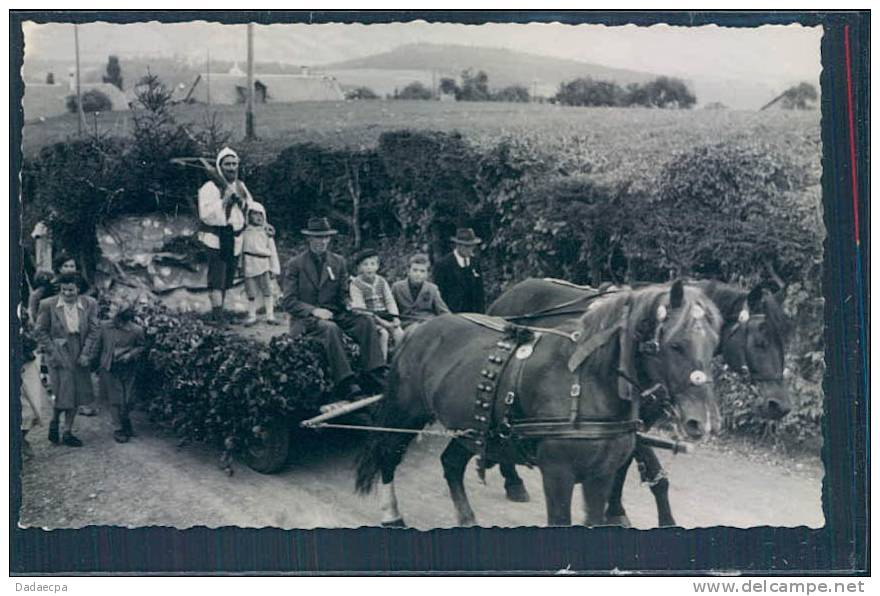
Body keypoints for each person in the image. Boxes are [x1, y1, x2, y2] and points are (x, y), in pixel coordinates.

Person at [281, 217, 386, 400]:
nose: (322, 241)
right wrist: (314, 311)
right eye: (317, 237)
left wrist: (349, 303)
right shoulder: (295, 264)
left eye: (325, 238)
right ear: (309, 239)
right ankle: (346, 383)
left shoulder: (338, 262)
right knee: (330, 329)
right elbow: (289, 301)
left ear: (329, 239)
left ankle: (374, 373)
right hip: (307, 320)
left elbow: (343, 294)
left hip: (335, 313)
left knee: (365, 321)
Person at [34, 272, 100, 447]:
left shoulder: (90, 304)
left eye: (71, 290)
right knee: (64, 391)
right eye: (64, 290)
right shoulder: (48, 304)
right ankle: (55, 421)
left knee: (77, 393)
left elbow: (94, 330)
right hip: (59, 350)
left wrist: (86, 353)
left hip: (80, 348)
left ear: (78, 289)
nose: (68, 294)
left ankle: (67, 432)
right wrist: (53, 352)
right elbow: (40, 331)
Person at [197, 147, 253, 324]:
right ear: (220, 166)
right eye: (227, 164)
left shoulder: (240, 186)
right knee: (217, 278)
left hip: (235, 238)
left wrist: (243, 204)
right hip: (217, 238)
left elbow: (251, 208)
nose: (231, 167)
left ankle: (223, 312)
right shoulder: (209, 188)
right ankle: (217, 316)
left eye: (234, 163)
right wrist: (224, 202)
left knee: (228, 277)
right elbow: (206, 215)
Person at [94, 298, 146, 443]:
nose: (116, 321)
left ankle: (125, 421)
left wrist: (130, 355)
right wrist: (93, 364)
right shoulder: (104, 326)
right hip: (109, 367)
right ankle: (119, 428)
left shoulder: (136, 330)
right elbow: (97, 346)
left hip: (128, 368)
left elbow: (141, 346)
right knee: (115, 399)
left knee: (128, 399)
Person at [349, 248, 404, 359]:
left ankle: (398, 363)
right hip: (370, 319)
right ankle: (381, 365)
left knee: (399, 333)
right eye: (365, 264)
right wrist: (384, 323)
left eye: (373, 264)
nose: (369, 267)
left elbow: (389, 301)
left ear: (377, 266)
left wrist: (395, 318)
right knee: (383, 334)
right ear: (359, 268)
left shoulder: (381, 281)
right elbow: (362, 309)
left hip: (384, 314)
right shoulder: (356, 284)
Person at [240, 202, 281, 326]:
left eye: (260, 214)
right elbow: (241, 249)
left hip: (263, 264)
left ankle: (270, 315)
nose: (258, 217)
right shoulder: (245, 232)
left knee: (267, 290)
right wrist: (240, 265)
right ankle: (252, 315)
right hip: (249, 264)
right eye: (254, 214)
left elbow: (272, 251)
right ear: (249, 216)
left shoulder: (266, 232)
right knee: (251, 292)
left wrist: (274, 268)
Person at [433, 227, 486, 313]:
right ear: (458, 246)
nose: (470, 250)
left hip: (474, 315)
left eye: (472, 246)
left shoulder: (475, 262)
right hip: (452, 315)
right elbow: (439, 295)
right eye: (467, 246)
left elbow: (480, 293)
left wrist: (482, 314)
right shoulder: (443, 265)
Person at [391, 253, 450, 329]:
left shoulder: (432, 289)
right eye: (415, 270)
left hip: (428, 324)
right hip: (406, 325)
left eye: (422, 271)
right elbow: (391, 309)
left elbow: (443, 311)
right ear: (408, 271)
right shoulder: (397, 287)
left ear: (427, 274)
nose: (418, 274)